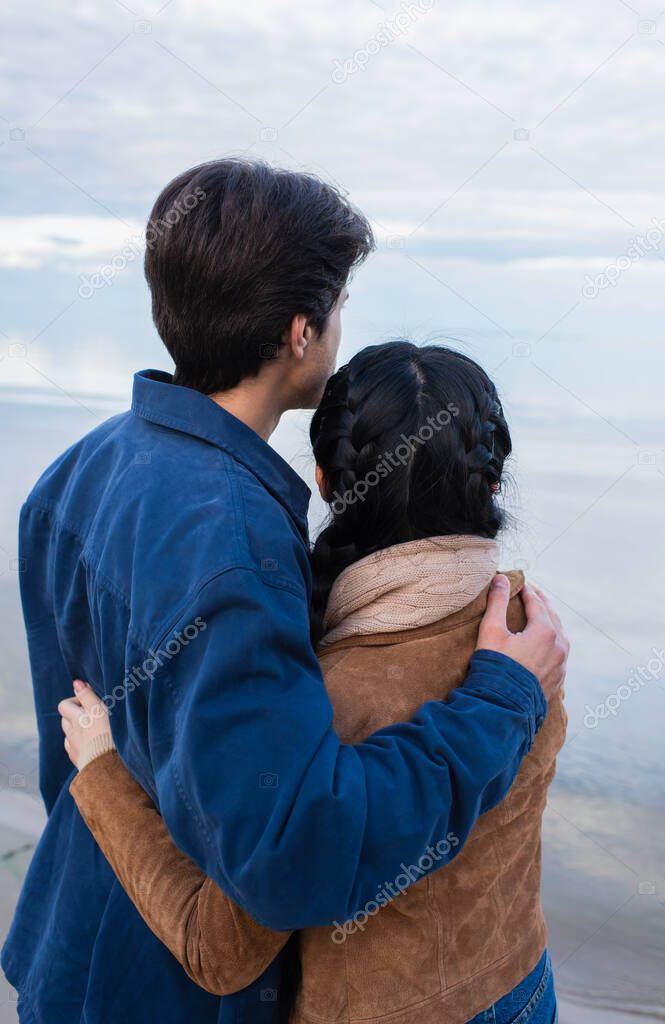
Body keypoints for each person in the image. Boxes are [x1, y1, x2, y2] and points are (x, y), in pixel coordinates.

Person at [2, 161, 568, 1024]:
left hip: (71, 925)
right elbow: (295, 854)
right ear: (301, 333)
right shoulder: (239, 552)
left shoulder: (73, 473)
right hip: (158, 986)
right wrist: (499, 697)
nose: (343, 326)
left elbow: (70, 744)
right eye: (339, 306)